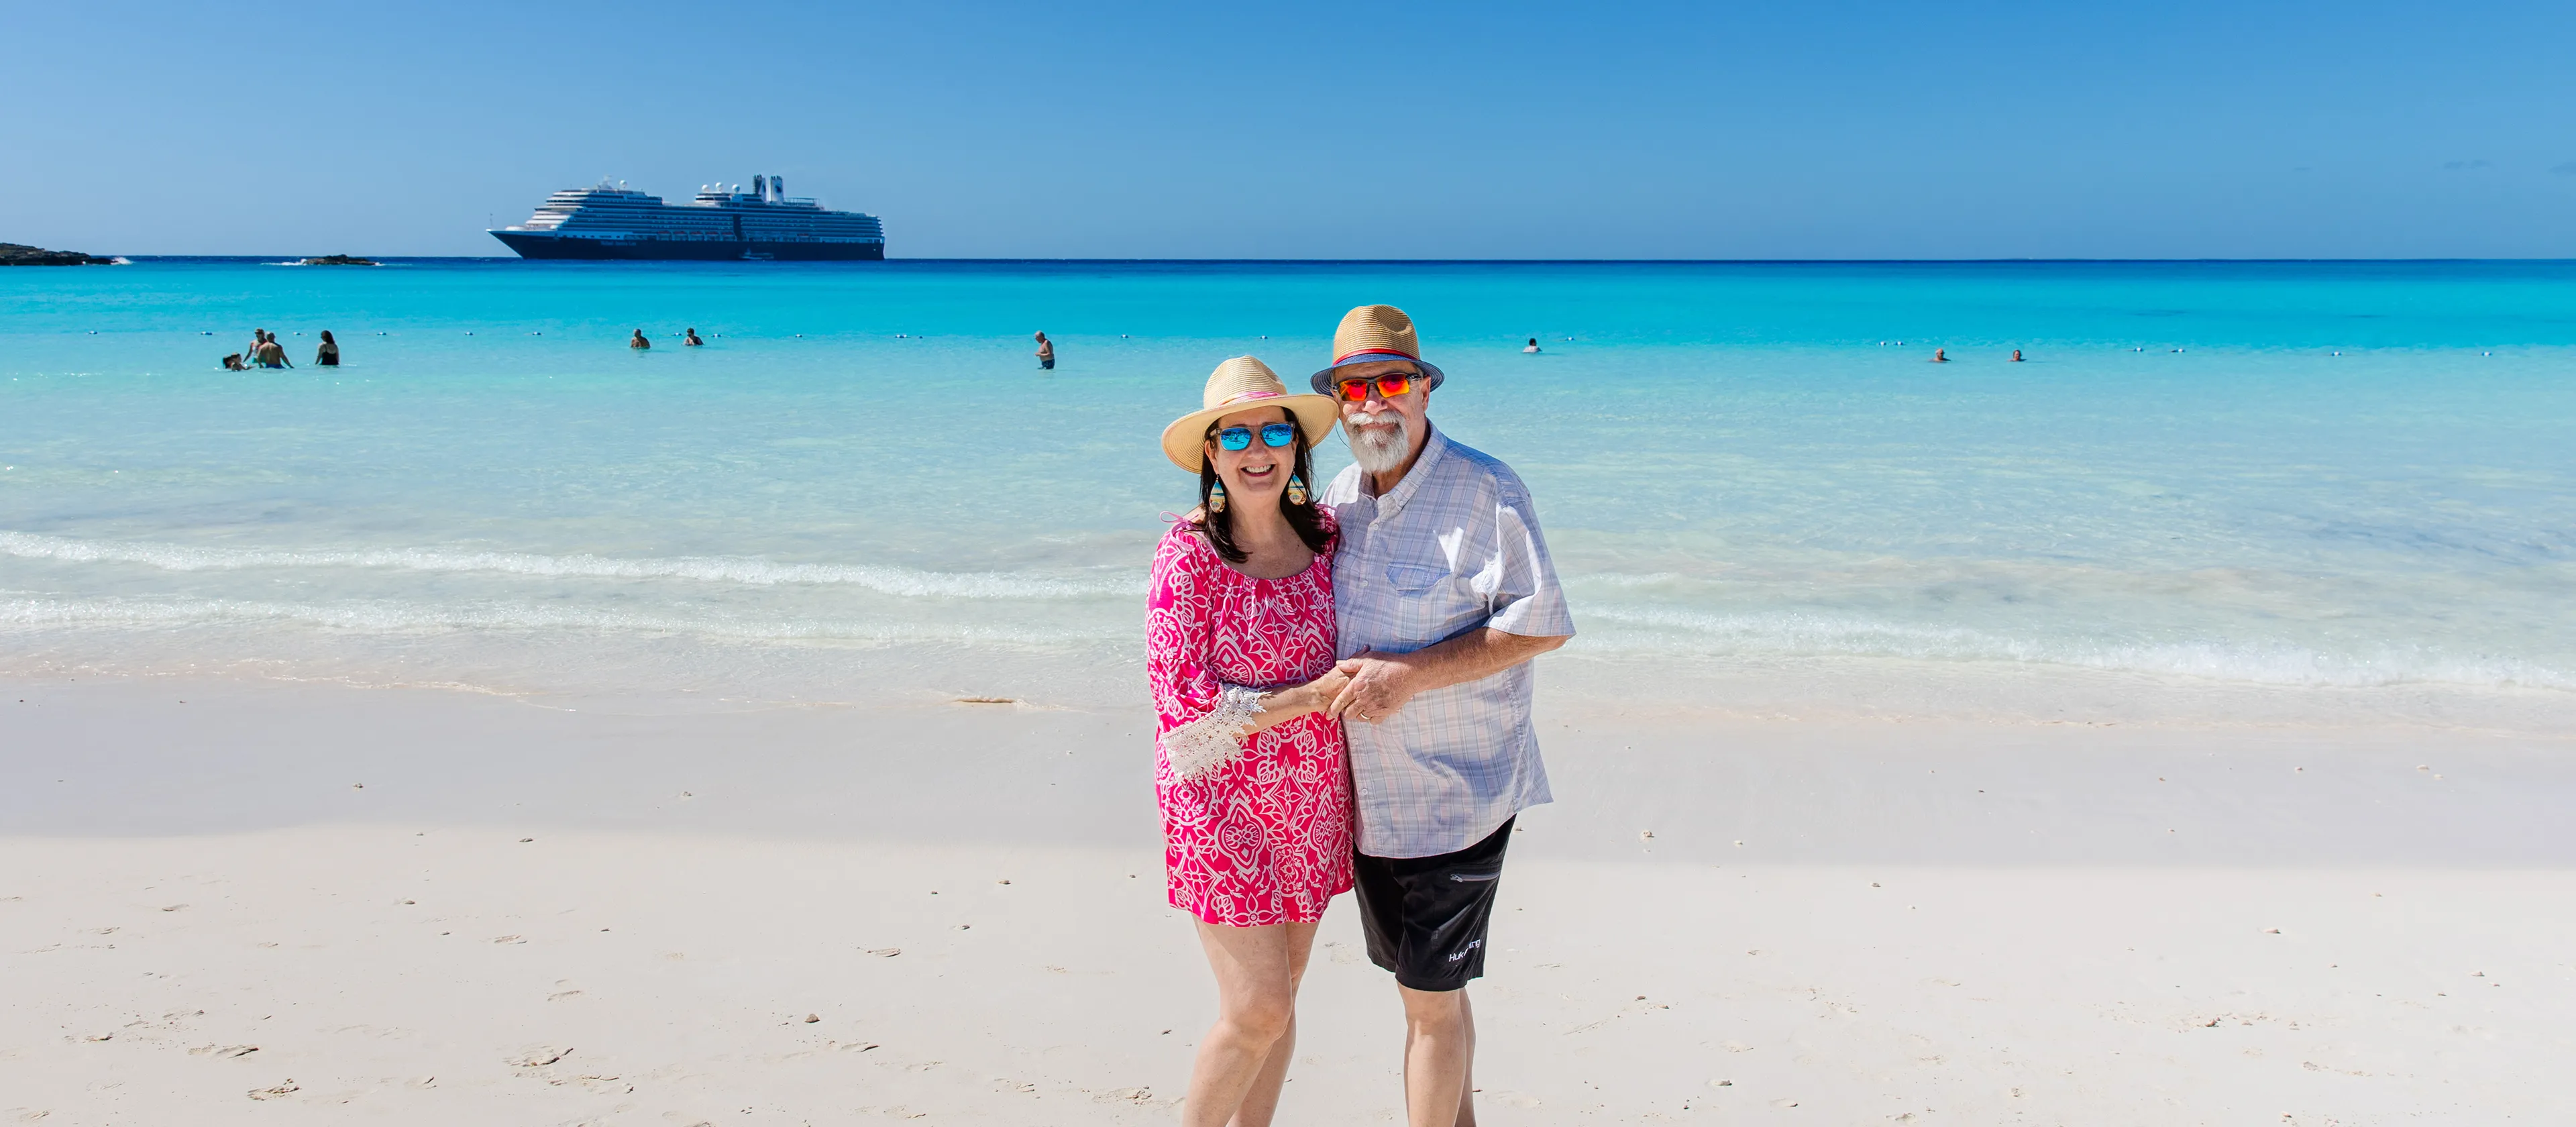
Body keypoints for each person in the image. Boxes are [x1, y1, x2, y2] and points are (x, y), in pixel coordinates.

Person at [1307, 305, 1574, 1127]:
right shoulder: (1337, 498)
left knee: (1427, 1004)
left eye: (1391, 381)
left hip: (1462, 795)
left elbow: (1542, 623)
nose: (1372, 403)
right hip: (1371, 804)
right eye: (1355, 387)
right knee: (1428, 997)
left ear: (1423, 389)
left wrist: (1411, 677)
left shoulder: (1486, 489)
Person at [1148, 356, 1356, 1127]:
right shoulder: (1189, 555)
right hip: (1220, 810)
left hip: (1310, 805)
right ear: (1212, 454)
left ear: (1298, 447)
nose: (1257, 447)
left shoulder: (1327, 539)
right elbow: (1182, 707)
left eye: (1275, 429)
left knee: (1283, 997)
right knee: (1258, 1009)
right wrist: (1306, 698)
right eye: (1235, 434)